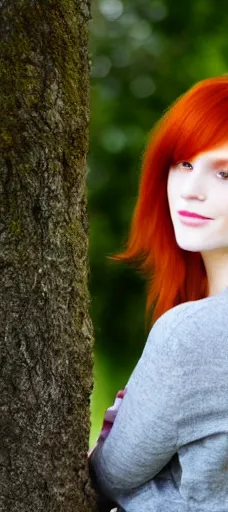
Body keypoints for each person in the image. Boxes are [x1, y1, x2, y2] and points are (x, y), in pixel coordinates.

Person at [88, 75, 228, 511]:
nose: (191, 189)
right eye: (184, 163)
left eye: (225, 172)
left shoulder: (196, 333)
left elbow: (110, 476)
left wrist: (142, 492)